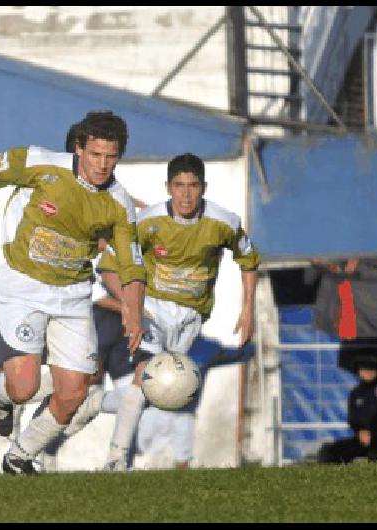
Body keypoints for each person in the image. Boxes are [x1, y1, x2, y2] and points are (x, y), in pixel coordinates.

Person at [0, 110, 145, 475]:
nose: (102, 165)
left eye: (111, 157)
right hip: (22, 287)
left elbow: (131, 264)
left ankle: (20, 456)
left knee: (74, 393)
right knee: (22, 387)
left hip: (72, 295)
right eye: (95, 155)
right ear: (79, 148)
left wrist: (132, 311)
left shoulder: (119, 202)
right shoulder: (41, 163)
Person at [80, 152, 260, 471]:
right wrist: (131, 306)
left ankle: (94, 402)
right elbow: (108, 267)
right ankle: (117, 458)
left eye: (192, 186)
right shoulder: (147, 222)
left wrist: (248, 308)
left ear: (203, 187)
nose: (186, 194)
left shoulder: (224, 223)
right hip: (152, 308)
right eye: (179, 186)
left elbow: (248, 260)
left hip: (191, 316)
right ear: (168, 187)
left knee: (161, 391)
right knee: (145, 374)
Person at [317, 354, 377, 464]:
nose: (368, 372)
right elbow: (353, 419)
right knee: (329, 451)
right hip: (363, 439)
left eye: (371, 368)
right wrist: (360, 431)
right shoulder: (356, 394)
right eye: (364, 369)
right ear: (358, 371)